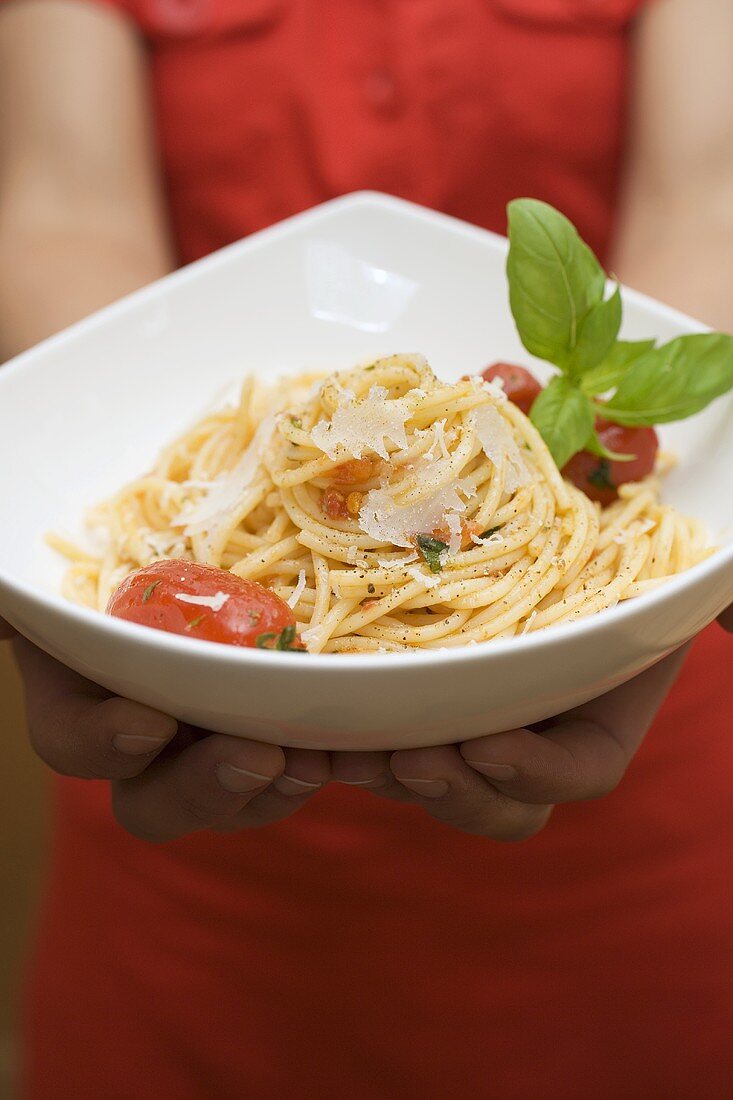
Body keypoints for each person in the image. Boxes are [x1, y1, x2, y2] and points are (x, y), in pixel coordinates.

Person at [1, 0, 732, 1096]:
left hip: (632, 768)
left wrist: (622, 593)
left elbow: (708, 193)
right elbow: (65, 211)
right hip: (193, 779)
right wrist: (62, 457)